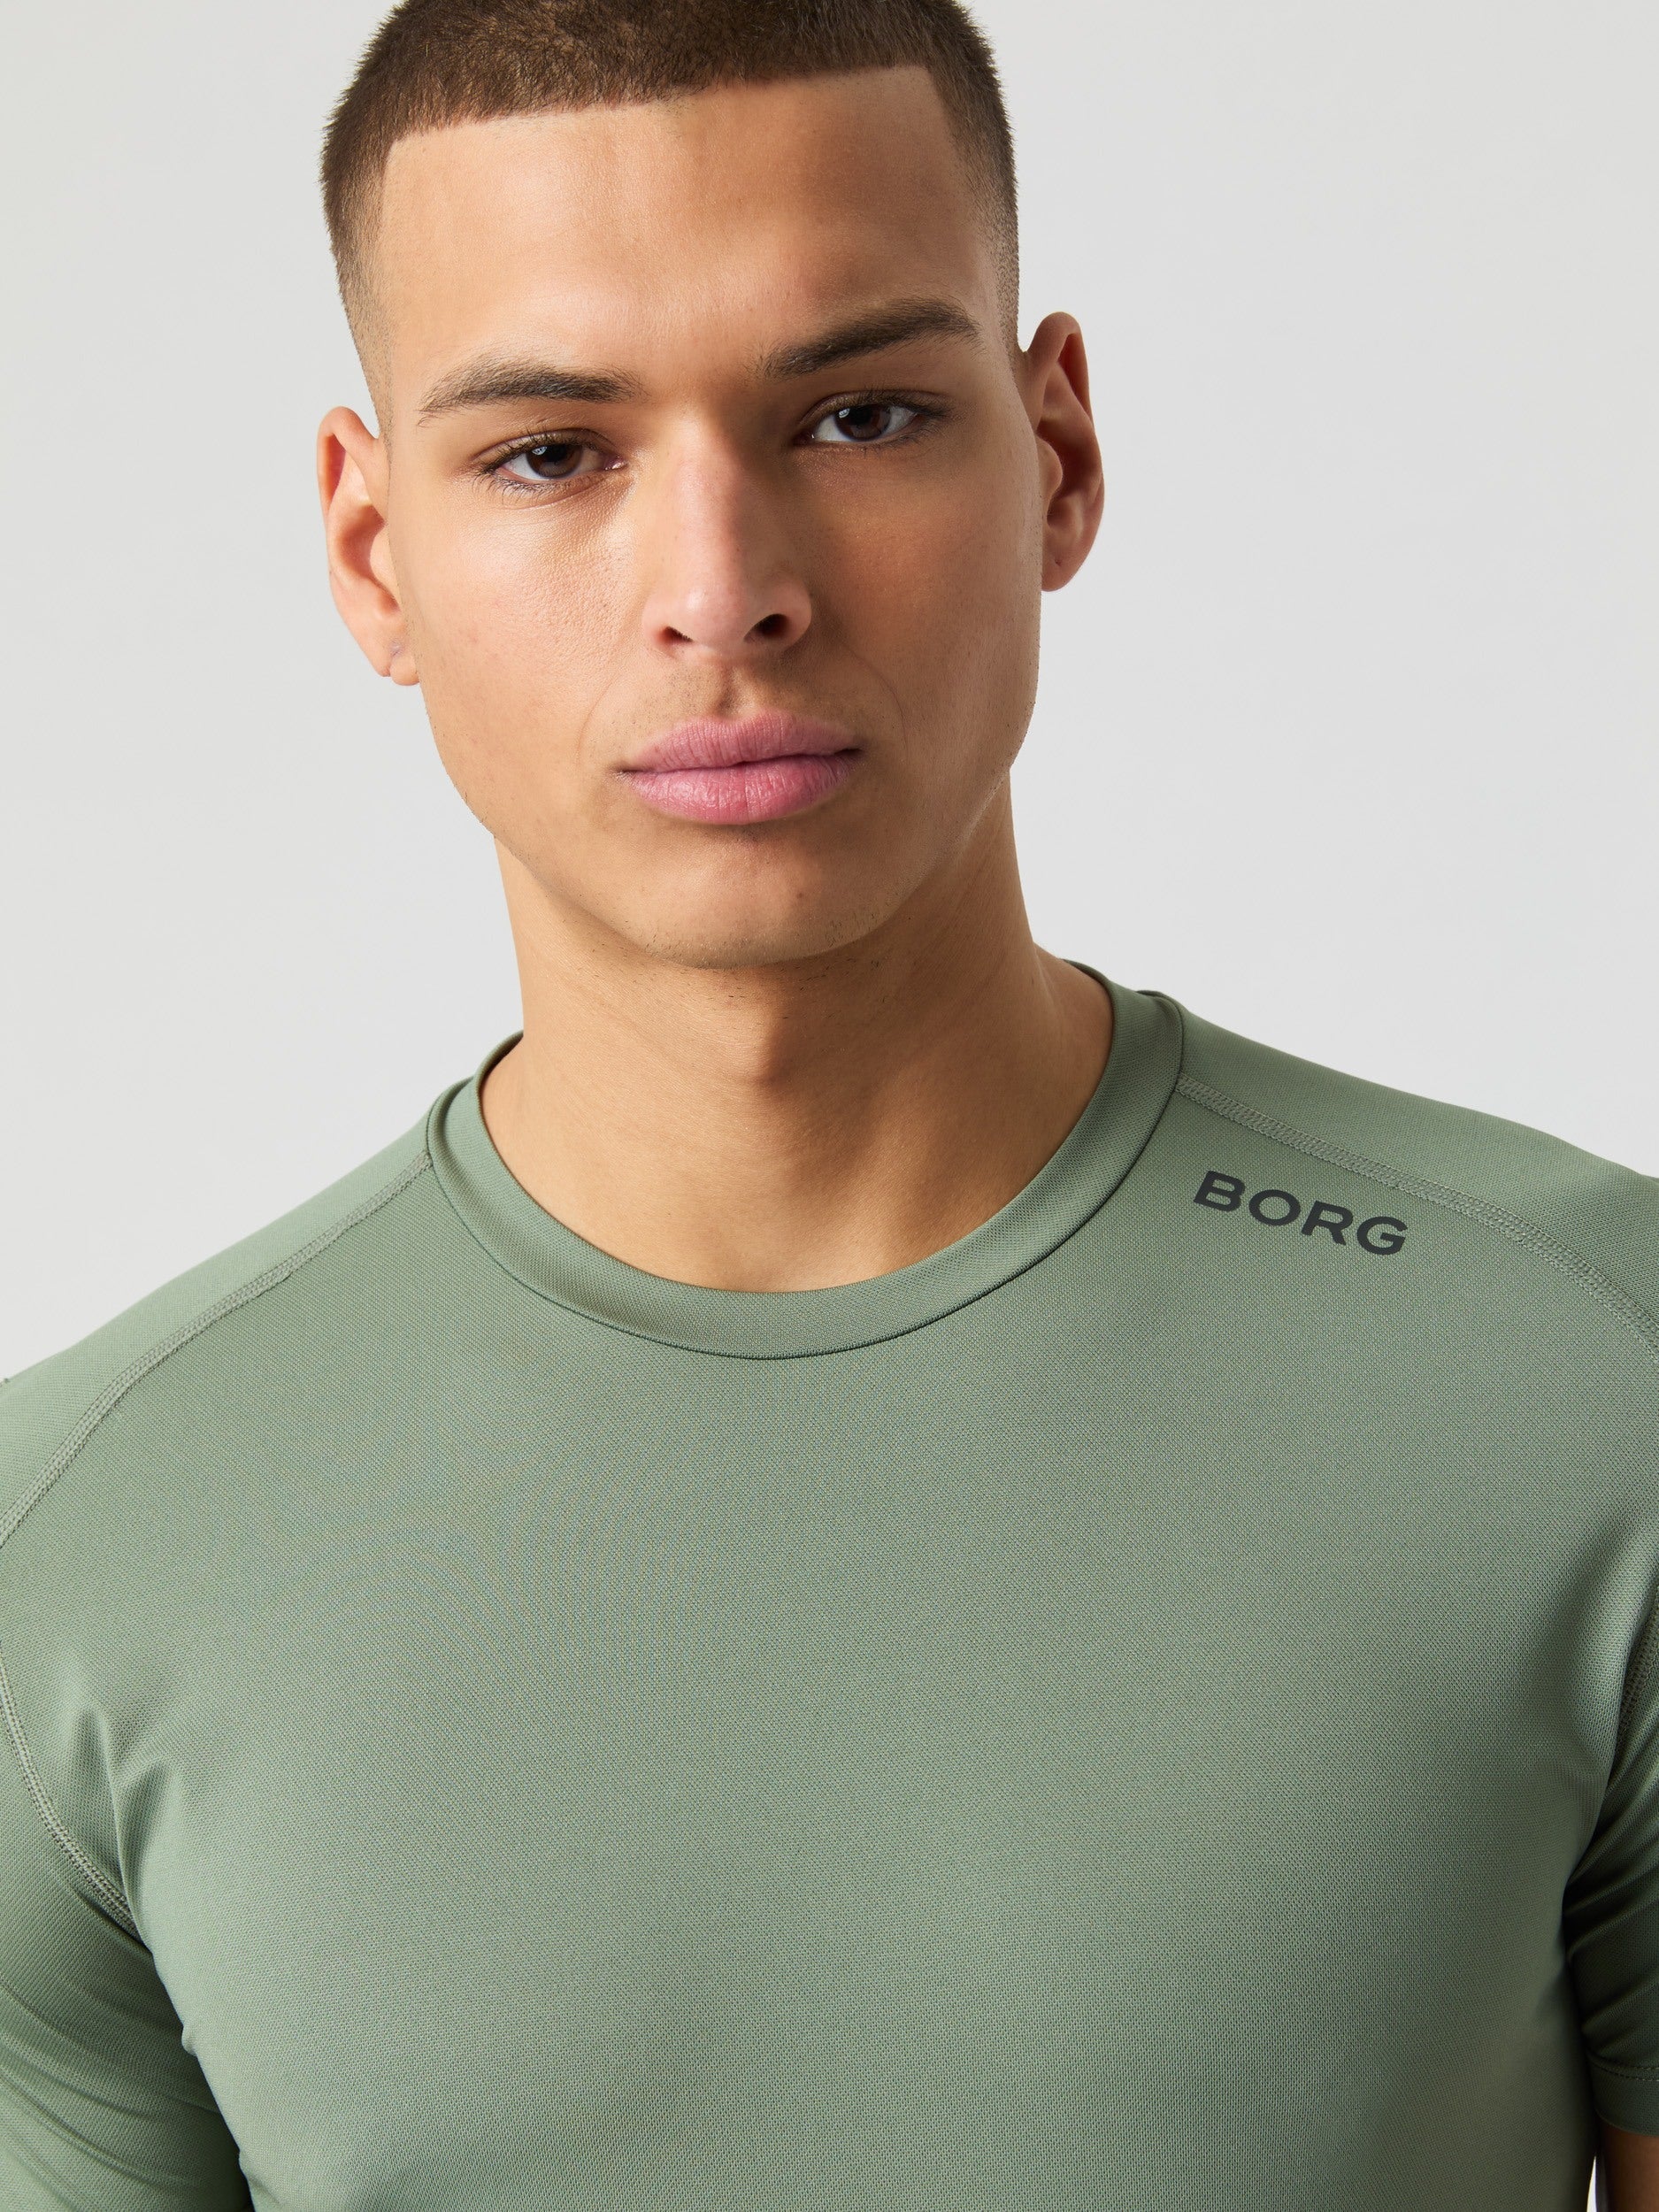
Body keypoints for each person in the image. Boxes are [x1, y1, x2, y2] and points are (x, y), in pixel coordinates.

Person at [0, 1, 1655, 2204]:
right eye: (551, 453)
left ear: (1054, 456)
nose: (723, 592)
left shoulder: (1589, 1380)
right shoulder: (70, 1562)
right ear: (374, 551)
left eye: (858, 414)